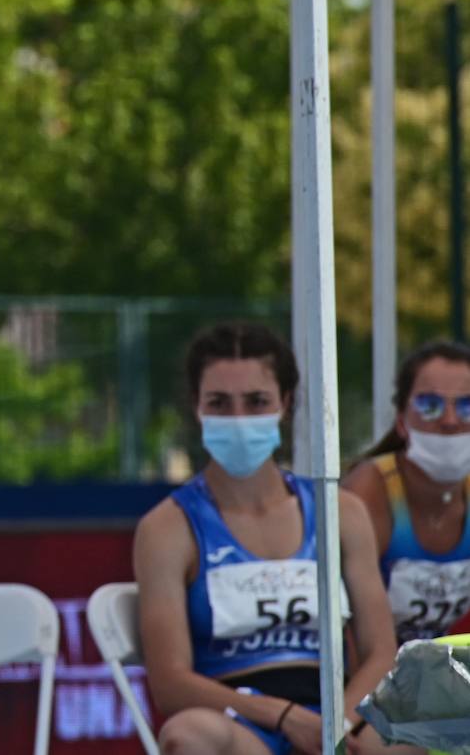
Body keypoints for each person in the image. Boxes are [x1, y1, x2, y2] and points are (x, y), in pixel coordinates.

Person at [133, 322, 401, 755]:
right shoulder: (167, 528)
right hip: (240, 724)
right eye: (219, 403)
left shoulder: (340, 513)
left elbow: (381, 651)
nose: (239, 419)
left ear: (286, 403)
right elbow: (170, 683)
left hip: (337, 718)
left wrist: (337, 727)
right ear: (196, 409)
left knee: (424, 729)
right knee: (187, 735)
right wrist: (283, 717)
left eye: (257, 402)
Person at [343, 341, 470, 646]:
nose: (450, 421)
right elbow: (347, 628)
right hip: (384, 679)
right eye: (430, 405)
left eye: (467, 406)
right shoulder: (368, 491)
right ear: (401, 421)